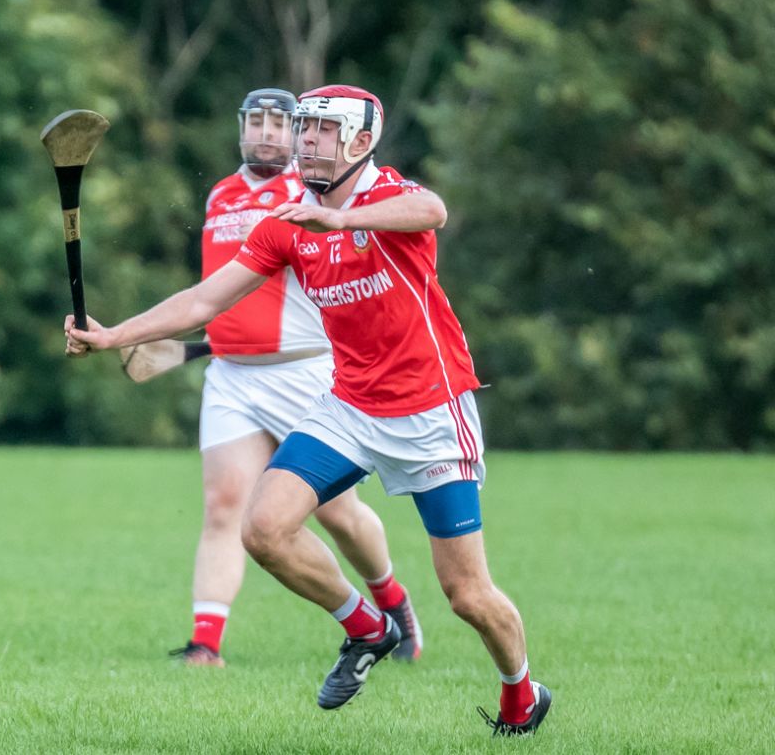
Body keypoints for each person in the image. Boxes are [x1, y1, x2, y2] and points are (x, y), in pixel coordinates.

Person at [66, 84, 550, 735]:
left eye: (323, 130)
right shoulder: (286, 224)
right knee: (262, 529)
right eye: (305, 129)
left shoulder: (384, 199)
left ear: (358, 141)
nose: (307, 141)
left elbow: (431, 209)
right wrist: (113, 335)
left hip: (432, 412)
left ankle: (522, 694)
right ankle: (366, 628)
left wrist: (345, 220)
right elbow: (204, 301)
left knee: (467, 596)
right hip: (348, 406)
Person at [169, 88, 421, 668]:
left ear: (299, 132)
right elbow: (219, 291)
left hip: (303, 371)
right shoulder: (222, 194)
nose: (265, 132)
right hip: (232, 374)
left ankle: (392, 600)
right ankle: (205, 643)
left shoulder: (308, 194)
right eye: (254, 119)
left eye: (279, 123)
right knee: (223, 505)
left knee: (336, 513)